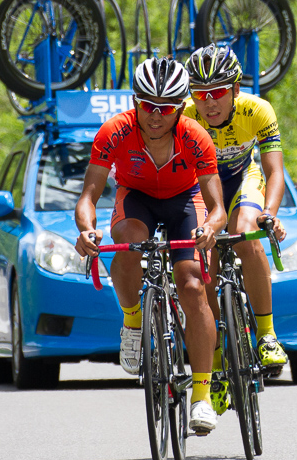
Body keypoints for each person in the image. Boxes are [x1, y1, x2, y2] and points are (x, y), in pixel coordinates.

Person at [74, 57, 228, 434]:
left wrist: (210, 227)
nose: (155, 116)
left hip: (184, 201)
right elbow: (88, 197)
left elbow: (218, 208)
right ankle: (132, 321)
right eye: (148, 105)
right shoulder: (114, 131)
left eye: (166, 108)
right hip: (137, 198)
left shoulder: (195, 136)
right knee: (127, 241)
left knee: (193, 284)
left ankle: (203, 397)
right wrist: (86, 230)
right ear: (136, 101)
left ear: (180, 108)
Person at [183, 44, 290, 416]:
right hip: (202, 187)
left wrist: (270, 215)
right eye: (200, 94)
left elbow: (274, 171)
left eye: (217, 93)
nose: (209, 103)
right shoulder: (184, 117)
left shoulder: (257, 110)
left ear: (236, 89)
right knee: (203, 268)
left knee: (247, 234)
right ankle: (215, 371)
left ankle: (266, 334)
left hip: (244, 177)